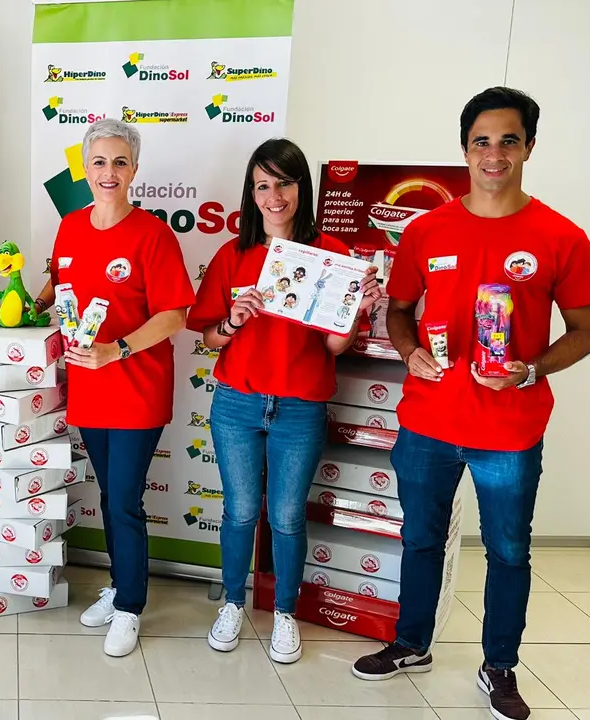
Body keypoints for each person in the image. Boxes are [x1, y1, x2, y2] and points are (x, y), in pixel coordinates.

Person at [352, 87, 590, 720]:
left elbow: (585, 331)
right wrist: (408, 352)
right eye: (481, 141)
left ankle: (500, 667)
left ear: (530, 147)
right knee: (421, 539)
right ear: (464, 148)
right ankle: (411, 644)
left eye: (508, 140)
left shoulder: (561, 237)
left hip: (510, 429)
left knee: (509, 551)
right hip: (428, 422)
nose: (494, 154)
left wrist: (531, 370)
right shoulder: (427, 230)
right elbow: (400, 310)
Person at [187, 138, 382, 664]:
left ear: (303, 187)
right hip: (237, 404)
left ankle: (286, 613)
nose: (274, 196)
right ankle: (231, 603)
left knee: (289, 515)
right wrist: (233, 320)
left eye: (285, 183)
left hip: (299, 406)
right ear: (251, 194)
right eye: (263, 186)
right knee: (242, 510)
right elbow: (208, 337)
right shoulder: (233, 254)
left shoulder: (334, 256)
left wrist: (356, 311)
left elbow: (335, 347)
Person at [32, 118, 194, 657]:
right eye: (99, 162)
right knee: (108, 494)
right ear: (86, 168)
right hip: (89, 388)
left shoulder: (152, 234)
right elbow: (61, 288)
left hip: (136, 389)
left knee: (123, 499)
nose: (108, 172)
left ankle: (130, 608)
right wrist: (27, 303)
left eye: (119, 162)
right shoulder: (71, 227)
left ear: (134, 171)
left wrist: (116, 350)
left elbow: (174, 314)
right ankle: (122, 585)